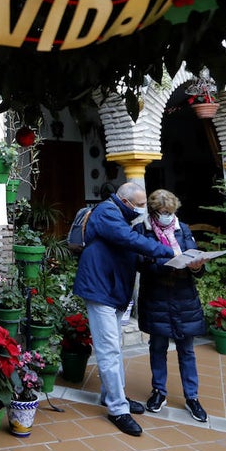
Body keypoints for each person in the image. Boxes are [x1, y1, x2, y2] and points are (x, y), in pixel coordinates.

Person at [73, 180, 175, 436]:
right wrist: (167, 251)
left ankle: (111, 395)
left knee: (114, 348)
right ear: (126, 201)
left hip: (113, 290)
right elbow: (128, 240)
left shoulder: (122, 215)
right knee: (108, 350)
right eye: (140, 204)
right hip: (100, 290)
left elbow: (129, 252)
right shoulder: (108, 212)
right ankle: (118, 409)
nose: (143, 208)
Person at [133, 189, 209, 423]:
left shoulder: (182, 229)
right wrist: (166, 264)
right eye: (162, 212)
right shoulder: (142, 230)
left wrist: (197, 266)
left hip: (184, 297)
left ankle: (192, 397)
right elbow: (140, 263)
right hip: (156, 296)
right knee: (158, 347)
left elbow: (196, 262)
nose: (167, 216)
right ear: (153, 211)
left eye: (170, 211)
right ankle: (159, 391)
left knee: (187, 350)